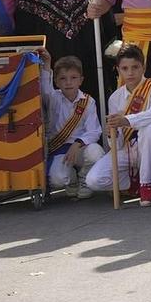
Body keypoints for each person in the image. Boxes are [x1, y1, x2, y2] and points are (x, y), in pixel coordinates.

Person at [86, 43, 151, 201]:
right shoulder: (115, 97)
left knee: (150, 128)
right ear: (118, 69)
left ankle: (147, 184)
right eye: (125, 68)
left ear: (143, 66)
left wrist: (126, 120)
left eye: (135, 67)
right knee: (93, 180)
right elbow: (118, 144)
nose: (130, 73)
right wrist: (111, 134)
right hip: (127, 149)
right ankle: (131, 184)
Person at [43, 55, 103, 197]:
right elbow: (45, 89)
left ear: (81, 80)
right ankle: (72, 181)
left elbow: (94, 131)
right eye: (63, 78)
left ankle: (84, 179)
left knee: (96, 152)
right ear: (56, 81)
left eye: (73, 77)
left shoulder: (88, 101)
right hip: (59, 149)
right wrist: (47, 64)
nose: (68, 82)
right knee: (57, 179)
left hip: (80, 148)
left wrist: (77, 144)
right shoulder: (53, 98)